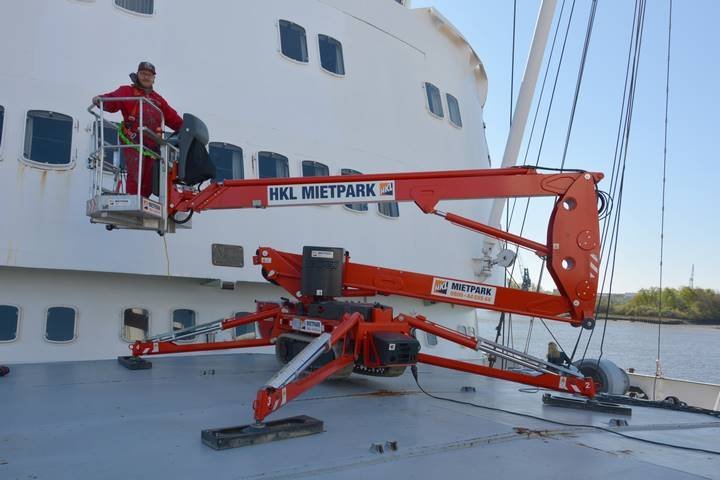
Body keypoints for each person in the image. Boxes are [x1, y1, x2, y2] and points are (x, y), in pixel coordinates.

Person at [93, 62, 183, 197]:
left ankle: (143, 200)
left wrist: (186, 128)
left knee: (148, 178)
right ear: (138, 74)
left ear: (154, 78)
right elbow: (113, 101)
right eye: (143, 74)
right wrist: (101, 100)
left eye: (149, 75)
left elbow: (172, 117)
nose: (146, 77)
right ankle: (133, 199)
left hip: (152, 145)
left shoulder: (158, 100)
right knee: (136, 172)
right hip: (133, 140)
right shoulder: (127, 91)